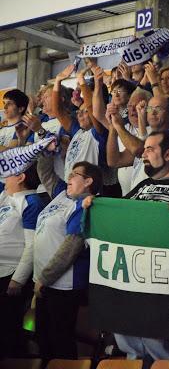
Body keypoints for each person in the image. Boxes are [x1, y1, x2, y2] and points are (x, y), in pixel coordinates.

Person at [83, 130, 169, 362]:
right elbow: (118, 210)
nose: (143, 154)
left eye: (150, 149)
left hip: (165, 282)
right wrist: (96, 203)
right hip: (132, 278)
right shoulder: (143, 185)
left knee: (160, 345)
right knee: (128, 338)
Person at [34, 152, 103, 361]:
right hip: (44, 282)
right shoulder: (62, 195)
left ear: (88, 181)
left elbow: (71, 248)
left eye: (74, 174)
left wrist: (44, 279)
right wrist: (45, 151)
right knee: (43, 339)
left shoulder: (86, 206)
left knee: (60, 341)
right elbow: (45, 173)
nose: (69, 178)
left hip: (63, 285)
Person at [0, 163, 44, 357]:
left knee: (8, 329)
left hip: (10, 275)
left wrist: (18, 278)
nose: (3, 179)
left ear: (21, 177)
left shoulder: (31, 201)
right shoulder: (7, 198)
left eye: (8, 175)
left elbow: (32, 245)